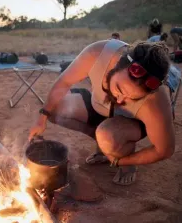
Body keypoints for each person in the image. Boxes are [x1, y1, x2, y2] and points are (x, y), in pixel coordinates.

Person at [29, 39, 175, 186]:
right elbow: (64, 82)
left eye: (132, 98)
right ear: (117, 65)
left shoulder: (156, 101)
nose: (119, 100)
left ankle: (125, 161)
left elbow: (164, 150)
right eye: (119, 89)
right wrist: (41, 119)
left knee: (107, 135)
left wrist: (122, 161)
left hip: (130, 122)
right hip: (98, 106)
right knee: (54, 108)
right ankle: (102, 142)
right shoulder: (97, 54)